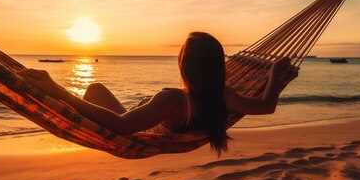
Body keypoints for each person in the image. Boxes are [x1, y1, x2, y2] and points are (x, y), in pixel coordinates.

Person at [19, 32, 290, 155]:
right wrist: (275, 72)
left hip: (137, 131)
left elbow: (121, 125)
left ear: (185, 65)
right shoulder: (223, 95)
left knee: (94, 89)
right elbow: (267, 105)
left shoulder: (172, 100)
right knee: (97, 92)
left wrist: (57, 91)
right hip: (150, 120)